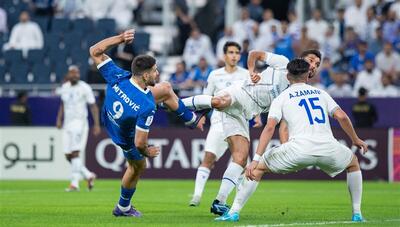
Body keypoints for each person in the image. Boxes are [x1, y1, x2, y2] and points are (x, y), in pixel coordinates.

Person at [216, 58, 368, 223]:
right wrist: (355, 139)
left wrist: (255, 160)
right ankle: (357, 213)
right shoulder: (321, 93)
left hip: (297, 150)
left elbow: (269, 128)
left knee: (257, 169)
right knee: (353, 163)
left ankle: (234, 212)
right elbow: (342, 117)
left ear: (288, 77)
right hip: (328, 148)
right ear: (308, 76)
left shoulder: (282, 97)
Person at [183, 49, 322, 216]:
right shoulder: (282, 62)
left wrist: (287, 149)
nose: (313, 65)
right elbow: (254, 53)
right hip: (241, 92)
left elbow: (283, 125)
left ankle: (219, 202)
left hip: (245, 113)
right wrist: (252, 72)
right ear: (301, 58)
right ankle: (175, 104)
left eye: (317, 64)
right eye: (312, 60)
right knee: (220, 101)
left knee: (241, 158)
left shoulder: (297, 92)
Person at [89, 29, 204, 217]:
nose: (157, 73)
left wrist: (119, 38)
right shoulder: (147, 105)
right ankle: (123, 208)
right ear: (145, 76)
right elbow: (140, 143)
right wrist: (147, 151)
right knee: (139, 166)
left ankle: (192, 119)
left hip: (110, 115)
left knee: (166, 88)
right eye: (154, 71)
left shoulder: (119, 76)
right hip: (123, 136)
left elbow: (94, 50)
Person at [189, 41, 261, 207]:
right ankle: (197, 196)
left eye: (237, 52)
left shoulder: (245, 74)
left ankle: (234, 201)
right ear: (224, 55)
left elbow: (252, 97)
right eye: (231, 52)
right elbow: (207, 98)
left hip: (239, 122)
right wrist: (201, 117)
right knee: (208, 157)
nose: (234, 55)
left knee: (243, 163)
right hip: (218, 122)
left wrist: (256, 116)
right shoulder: (215, 75)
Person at [56, 65, 100, 192]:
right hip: (67, 124)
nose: (76, 75)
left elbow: (93, 106)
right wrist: (59, 119)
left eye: (77, 73)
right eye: (73, 73)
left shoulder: (84, 87)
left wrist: (96, 124)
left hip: (79, 123)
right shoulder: (64, 88)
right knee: (68, 155)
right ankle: (88, 175)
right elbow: (63, 105)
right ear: (68, 75)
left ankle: (74, 184)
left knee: (75, 153)